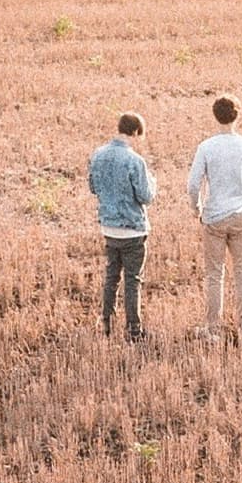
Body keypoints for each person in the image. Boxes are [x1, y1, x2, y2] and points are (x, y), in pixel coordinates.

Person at [187, 94, 242, 340]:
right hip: (241, 214)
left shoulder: (207, 147)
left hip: (214, 217)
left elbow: (193, 184)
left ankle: (213, 328)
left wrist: (197, 207)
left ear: (215, 116)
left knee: (215, 274)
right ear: (237, 115)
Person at [88, 112, 156, 340]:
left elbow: (93, 187)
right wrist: (153, 183)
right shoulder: (135, 161)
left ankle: (106, 322)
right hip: (132, 228)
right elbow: (146, 196)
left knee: (111, 276)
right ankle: (133, 329)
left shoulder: (98, 155)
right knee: (132, 280)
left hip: (108, 226)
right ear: (135, 132)